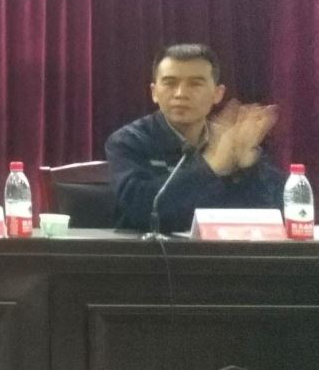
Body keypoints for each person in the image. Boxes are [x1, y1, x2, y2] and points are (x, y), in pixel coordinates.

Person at [106, 43, 281, 233]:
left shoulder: (230, 141)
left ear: (218, 94)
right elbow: (139, 210)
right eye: (170, 83)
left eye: (195, 84)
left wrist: (249, 168)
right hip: (149, 250)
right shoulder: (129, 141)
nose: (181, 94)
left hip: (219, 249)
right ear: (154, 92)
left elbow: (274, 212)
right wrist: (210, 167)